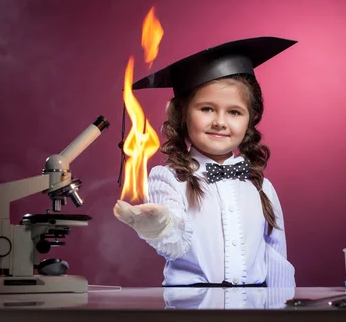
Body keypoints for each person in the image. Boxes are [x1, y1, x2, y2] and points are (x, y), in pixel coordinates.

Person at [113, 36, 297, 288]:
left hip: (252, 307)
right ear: (182, 114)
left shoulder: (261, 186)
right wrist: (160, 225)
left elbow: (276, 257)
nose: (220, 122)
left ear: (250, 120)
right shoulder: (168, 178)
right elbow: (175, 243)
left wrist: (282, 309)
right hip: (191, 307)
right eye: (207, 109)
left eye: (234, 112)